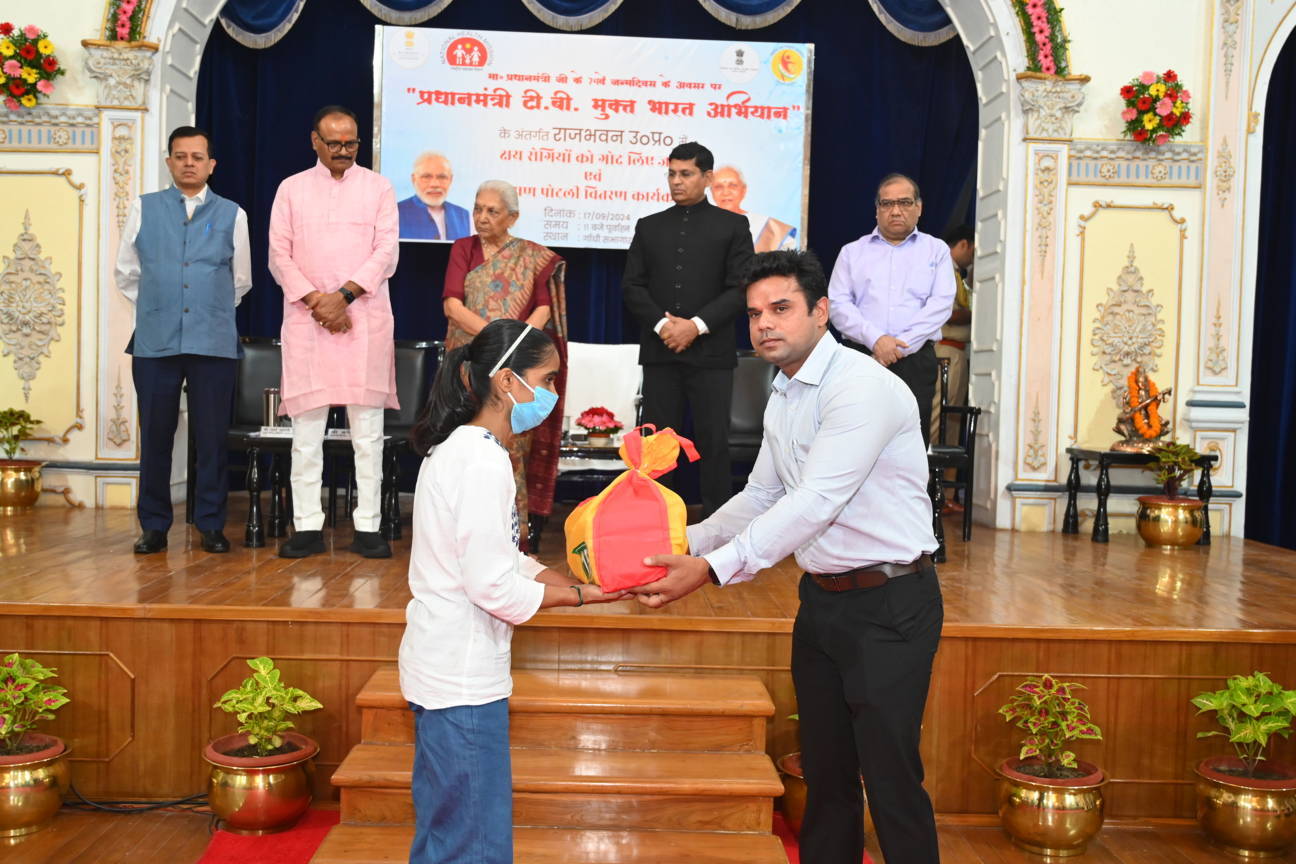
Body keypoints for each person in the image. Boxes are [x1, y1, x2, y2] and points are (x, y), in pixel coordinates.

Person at [630, 249, 943, 864]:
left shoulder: (861, 388)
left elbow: (816, 501)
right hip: (822, 603)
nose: (764, 324)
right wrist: (682, 542)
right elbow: (761, 496)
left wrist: (712, 569)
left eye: (780, 308)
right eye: (753, 314)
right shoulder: (785, 391)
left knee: (891, 783)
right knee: (826, 777)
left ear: (821, 311)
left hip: (889, 604)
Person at [398, 318, 624, 864]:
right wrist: (580, 599)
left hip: (441, 666)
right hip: (462, 679)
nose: (552, 394)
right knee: (473, 844)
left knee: (445, 830)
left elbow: (504, 558)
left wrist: (572, 584)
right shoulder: (481, 461)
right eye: (546, 380)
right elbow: (492, 586)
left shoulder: (463, 448)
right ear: (506, 381)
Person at [268, 104, 400, 559]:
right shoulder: (291, 189)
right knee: (306, 436)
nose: (344, 151)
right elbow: (279, 256)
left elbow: (386, 252)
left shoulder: (379, 187)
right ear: (315, 142)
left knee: (368, 435)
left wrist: (342, 297)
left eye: (351, 143)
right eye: (335, 143)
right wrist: (318, 303)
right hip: (308, 323)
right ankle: (307, 525)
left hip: (363, 320)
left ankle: (368, 526)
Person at [114, 125, 251, 555]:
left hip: (213, 342)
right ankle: (153, 526)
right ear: (169, 162)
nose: (189, 163)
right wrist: (161, 306)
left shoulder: (234, 214)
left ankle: (210, 524)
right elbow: (127, 273)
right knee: (156, 436)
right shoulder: (143, 207)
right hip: (155, 343)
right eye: (181, 156)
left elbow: (240, 281)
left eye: (197, 157)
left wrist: (204, 310)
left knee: (211, 438)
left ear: (211, 165)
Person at [622, 142, 754, 517]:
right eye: (672, 174)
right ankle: (655, 520)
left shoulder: (733, 226)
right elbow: (632, 287)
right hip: (661, 351)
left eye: (686, 174)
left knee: (714, 442)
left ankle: (718, 524)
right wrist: (664, 325)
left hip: (711, 355)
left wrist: (695, 327)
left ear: (707, 177)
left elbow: (741, 288)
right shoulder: (649, 226)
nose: (676, 181)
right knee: (658, 445)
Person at [442, 180, 568, 548]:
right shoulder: (463, 248)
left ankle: (513, 536)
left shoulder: (531, 256)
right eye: (477, 209)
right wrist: (496, 340)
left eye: (492, 211)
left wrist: (514, 345)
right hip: (471, 364)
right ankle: (461, 533)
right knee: (466, 441)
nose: (481, 217)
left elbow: (543, 307)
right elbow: (453, 306)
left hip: (514, 369)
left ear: (512, 217)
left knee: (511, 446)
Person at [828, 172, 956, 447]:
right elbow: (838, 305)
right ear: (877, 210)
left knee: (909, 442)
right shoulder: (852, 252)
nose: (895, 211)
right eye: (887, 204)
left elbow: (941, 303)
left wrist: (898, 347)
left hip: (914, 360)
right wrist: (877, 340)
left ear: (919, 207)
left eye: (905, 202)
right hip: (861, 356)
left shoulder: (936, 250)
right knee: (855, 440)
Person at [931, 223, 974, 447]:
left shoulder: (956, 273)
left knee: (953, 415)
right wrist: (978, 315)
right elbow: (947, 312)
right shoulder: (943, 268)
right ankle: (932, 463)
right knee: (942, 413)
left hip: (955, 351)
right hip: (947, 349)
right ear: (964, 244)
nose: (974, 258)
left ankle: (946, 465)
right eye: (973, 251)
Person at [710, 164, 797, 253]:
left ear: (744, 190)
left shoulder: (770, 229)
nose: (725, 192)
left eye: (732, 186)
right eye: (718, 187)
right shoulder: (704, 224)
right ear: (711, 191)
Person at [397, 152, 471, 241]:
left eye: (442, 177)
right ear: (414, 179)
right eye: (426, 177)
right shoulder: (395, 213)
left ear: (451, 180)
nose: (435, 184)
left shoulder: (463, 216)